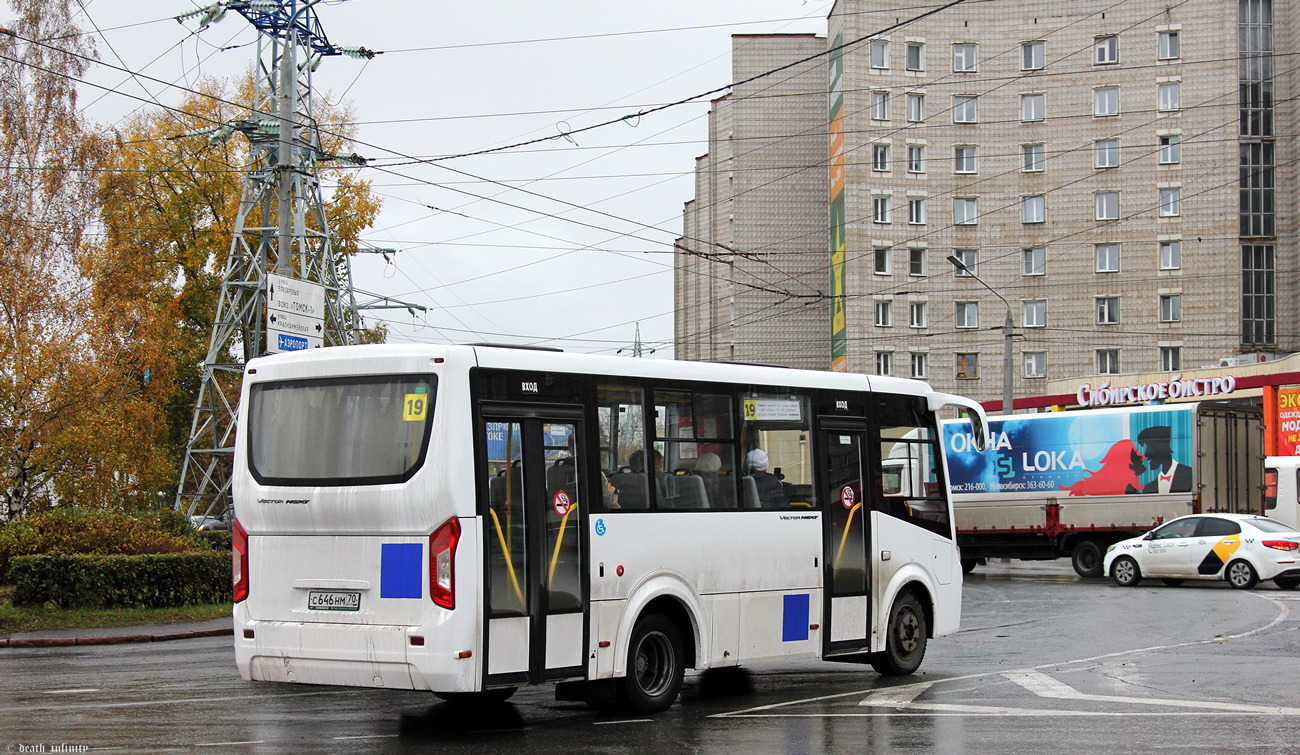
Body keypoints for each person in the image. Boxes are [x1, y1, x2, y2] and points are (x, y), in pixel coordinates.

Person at [1137, 425, 1192, 493]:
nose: (1146, 454)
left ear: (1161, 447)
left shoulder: (1189, 474)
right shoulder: (1149, 488)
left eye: (1148, 448)